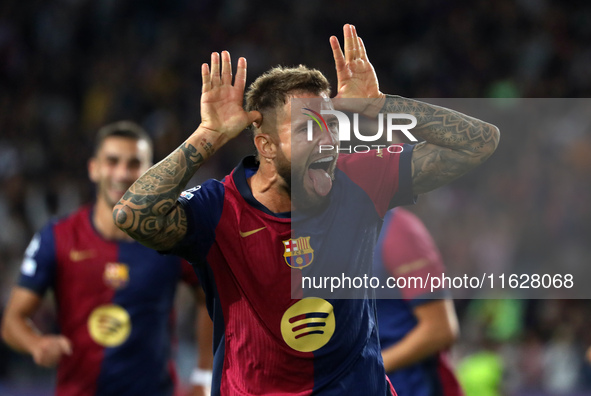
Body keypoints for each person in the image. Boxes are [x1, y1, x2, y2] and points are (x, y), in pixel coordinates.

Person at [113, 24, 499, 395]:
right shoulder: (218, 208)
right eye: (306, 129)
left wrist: (382, 106)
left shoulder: (360, 179)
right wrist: (207, 137)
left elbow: (481, 142)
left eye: (329, 124)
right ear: (265, 146)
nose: (326, 140)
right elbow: (131, 216)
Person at [1, 121, 213, 396]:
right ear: (94, 168)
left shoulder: (171, 236)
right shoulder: (58, 236)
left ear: (151, 172)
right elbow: (12, 322)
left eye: (134, 164)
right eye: (112, 161)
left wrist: (203, 373)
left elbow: (208, 296)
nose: (123, 173)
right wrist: (36, 344)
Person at [374, 207, 463, 396]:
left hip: (412, 386)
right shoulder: (324, 233)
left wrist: (369, 367)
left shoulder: (397, 229)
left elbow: (441, 329)